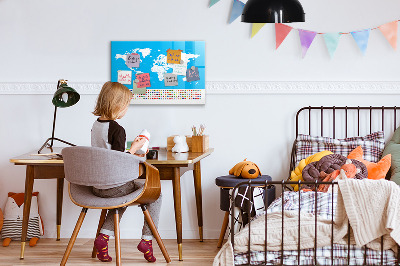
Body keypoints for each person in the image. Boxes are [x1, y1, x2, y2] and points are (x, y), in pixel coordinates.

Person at [91, 81, 161, 263]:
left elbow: (108, 154)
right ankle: (147, 240)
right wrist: (135, 149)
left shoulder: (96, 125)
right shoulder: (117, 129)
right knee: (156, 194)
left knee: (122, 198)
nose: (127, 109)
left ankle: (103, 238)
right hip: (114, 186)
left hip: (97, 186)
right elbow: (118, 161)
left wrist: (130, 149)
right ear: (117, 105)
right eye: (127, 105)